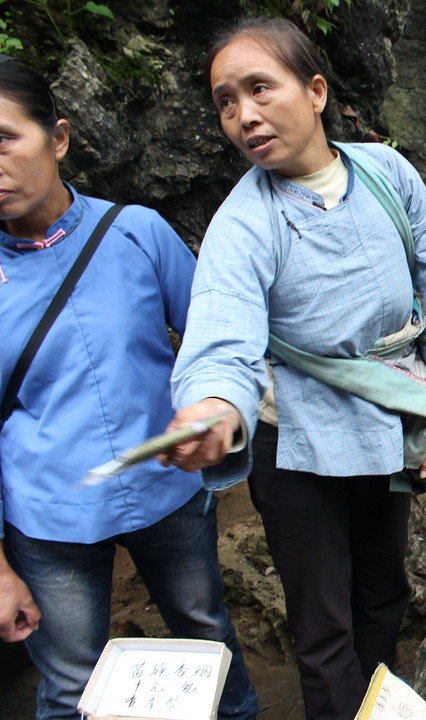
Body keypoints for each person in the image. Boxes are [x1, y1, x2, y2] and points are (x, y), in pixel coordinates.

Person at [161, 18, 426, 720]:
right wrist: (215, 404)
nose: (243, 115)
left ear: (315, 91)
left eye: (259, 88)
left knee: (383, 592)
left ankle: (381, 707)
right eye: (225, 101)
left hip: (389, 413)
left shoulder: (387, 172)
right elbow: (223, 332)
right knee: (323, 620)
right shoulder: (245, 221)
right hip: (297, 440)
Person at [0, 56, 257, 720]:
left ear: (57, 138)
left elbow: (214, 332)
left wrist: (215, 409)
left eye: (5, 139)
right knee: (68, 682)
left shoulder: (136, 232)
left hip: (164, 490)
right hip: (47, 515)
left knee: (206, 633)